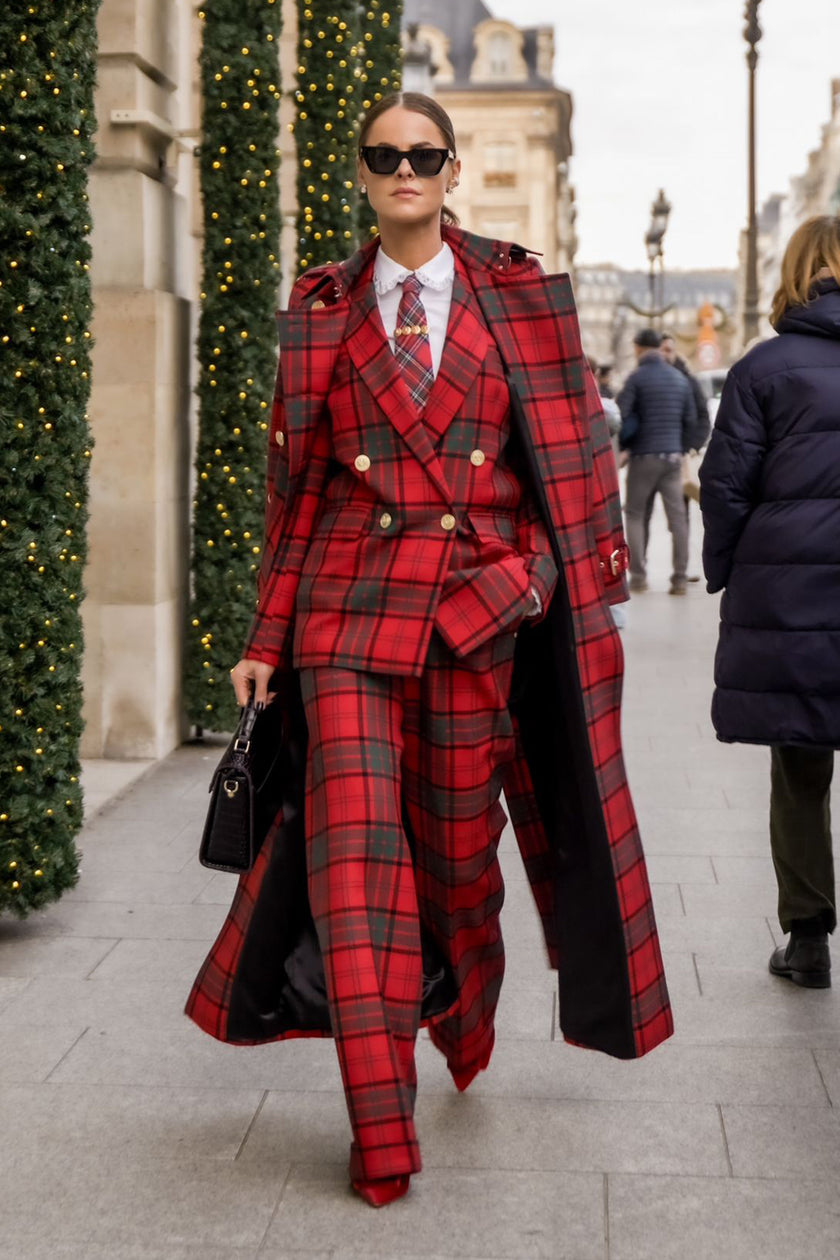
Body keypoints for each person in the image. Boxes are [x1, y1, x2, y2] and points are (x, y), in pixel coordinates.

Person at [186, 92, 672, 1206]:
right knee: (351, 869)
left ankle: (468, 1002)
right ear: (362, 174)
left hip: (476, 619)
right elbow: (296, 490)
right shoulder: (321, 305)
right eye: (382, 156)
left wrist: (540, 583)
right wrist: (269, 633)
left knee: (459, 869)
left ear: (452, 172)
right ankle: (381, 1127)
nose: (403, 169)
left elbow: (577, 479)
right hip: (347, 621)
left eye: (423, 155)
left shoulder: (521, 294)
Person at [700, 214, 840, 989]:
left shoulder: (764, 368)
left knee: (802, 762)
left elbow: (725, 486)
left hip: (794, 591)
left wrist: (729, 570)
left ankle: (809, 935)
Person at [618, 327, 697, 594]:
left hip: (644, 456)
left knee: (635, 514)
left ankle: (638, 577)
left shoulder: (636, 378)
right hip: (672, 456)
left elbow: (619, 415)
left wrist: (626, 444)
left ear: (639, 348)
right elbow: (690, 420)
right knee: (678, 519)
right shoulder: (679, 379)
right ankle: (680, 579)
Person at [658, 333, 711, 581]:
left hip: (678, 456)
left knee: (680, 515)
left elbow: (703, 418)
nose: (665, 354)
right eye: (661, 349)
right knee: (642, 512)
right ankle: (640, 569)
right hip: (651, 455)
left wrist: (691, 446)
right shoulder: (645, 376)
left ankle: (681, 570)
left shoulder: (688, 380)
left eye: (669, 349)